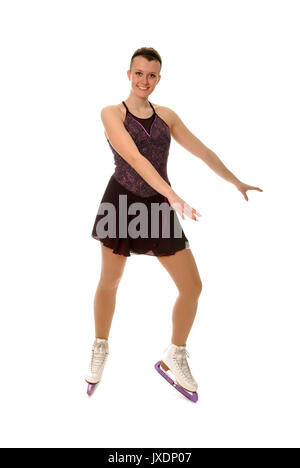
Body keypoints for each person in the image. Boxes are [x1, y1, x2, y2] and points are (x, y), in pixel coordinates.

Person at [85, 47, 263, 400]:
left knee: (192, 286)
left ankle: (174, 355)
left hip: (159, 206)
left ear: (159, 79)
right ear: (128, 74)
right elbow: (133, 159)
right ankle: (100, 346)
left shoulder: (167, 116)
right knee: (111, 280)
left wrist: (236, 181)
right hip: (121, 202)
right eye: (138, 73)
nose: (144, 80)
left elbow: (204, 152)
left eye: (151, 75)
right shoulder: (110, 113)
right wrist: (174, 196)